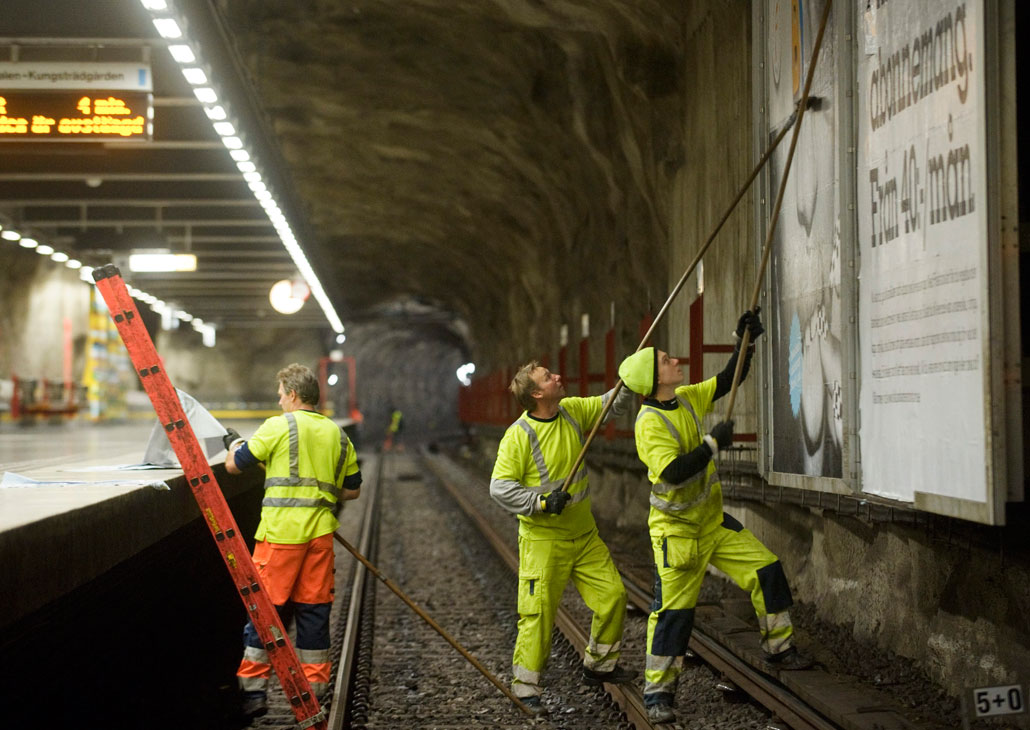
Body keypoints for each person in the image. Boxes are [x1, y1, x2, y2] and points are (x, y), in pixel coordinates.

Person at [617, 309, 811, 725]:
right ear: (654, 378)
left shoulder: (684, 397)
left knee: (767, 569)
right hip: (678, 533)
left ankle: (780, 649)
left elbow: (728, 381)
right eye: (666, 360)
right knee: (674, 614)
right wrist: (710, 445)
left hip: (711, 523)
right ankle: (658, 693)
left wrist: (745, 341)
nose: (675, 361)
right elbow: (672, 471)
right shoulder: (648, 423)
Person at [489, 362, 637, 714]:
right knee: (537, 614)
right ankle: (526, 689)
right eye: (548, 377)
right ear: (537, 394)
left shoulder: (571, 411)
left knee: (613, 596)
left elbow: (612, 404)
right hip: (544, 540)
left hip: (584, 536)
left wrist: (632, 375)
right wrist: (539, 502)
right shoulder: (519, 435)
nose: (557, 376)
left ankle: (599, 665)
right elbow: (499, 488)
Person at [223, 363, 362, 719]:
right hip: (319, 537)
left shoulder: (277, 426)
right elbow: (352, 489)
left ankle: (254, 692)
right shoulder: (337, 435)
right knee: (314, 613)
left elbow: (235, 465)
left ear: (294, 394)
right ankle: (313, 695)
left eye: (281, 394)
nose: (279, 400)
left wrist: (236, 445)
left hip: (280, 537)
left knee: (265, 610)